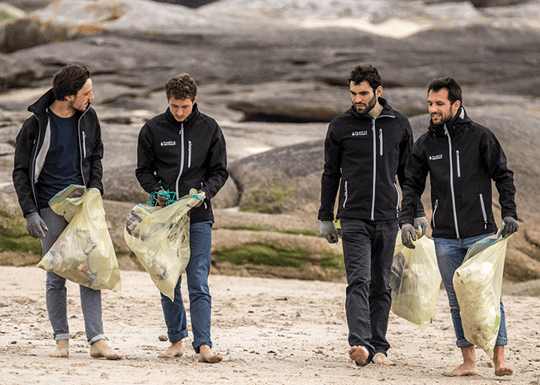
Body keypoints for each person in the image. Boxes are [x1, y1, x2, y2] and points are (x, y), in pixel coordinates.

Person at [400, 76, 518, 377]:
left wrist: (509, 213)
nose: (433, 109)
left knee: (487, 294)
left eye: (439, 103)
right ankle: (468, 361)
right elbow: (411, 185)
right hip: (444, 236)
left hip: (480, 231)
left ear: (456, 104)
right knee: (456, 300)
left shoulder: (480, 136)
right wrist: (407, 219)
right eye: (429, 103)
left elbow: (503, 175)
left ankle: (498, 358)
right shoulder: (426, 143)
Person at [318, 63, 427, 366]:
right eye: (353, 93)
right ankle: (360, 344)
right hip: (352, 218)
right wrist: (326, 216)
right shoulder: (340, 126)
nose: (357, 99)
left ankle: (380, 347)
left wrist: (415, 213)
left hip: (387, 218)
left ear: (378, 91)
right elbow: (330, 174)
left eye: (363, 93)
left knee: (382, 283)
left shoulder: (399, 125)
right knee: (359, 281)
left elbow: (409, 175)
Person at [12, 64, 122, 360]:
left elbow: (95, 157)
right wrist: (30, 213)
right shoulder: (35, 125)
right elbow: (21, 172)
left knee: (90, 271)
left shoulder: (88, 117)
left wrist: (96, 188)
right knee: (56, 275)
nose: (92, 97)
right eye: (86, 92)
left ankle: (97, 340)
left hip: (82, 207)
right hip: (48, 207)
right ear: (69, 95)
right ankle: (62, 341)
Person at [136, 73, 228, 363]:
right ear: (168, 101)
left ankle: (204, 345)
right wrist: (156, 192)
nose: (179, 112)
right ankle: (176, 340)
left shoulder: (210, 128)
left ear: (194, 101)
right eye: (175, 106)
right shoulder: (152, 129)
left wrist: (205, 193)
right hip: (165, 218)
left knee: (198, 281)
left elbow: (220, 171)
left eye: (185, 107)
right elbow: (142, 171)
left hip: (199, 216)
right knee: (168, 279)